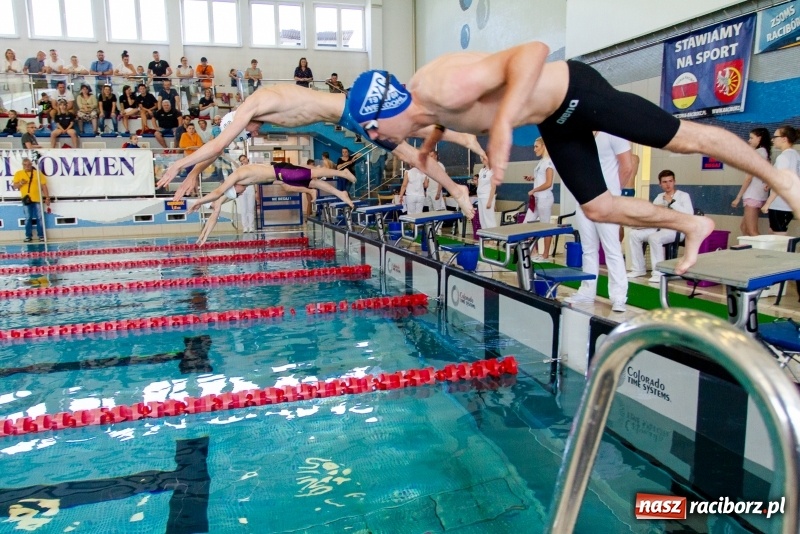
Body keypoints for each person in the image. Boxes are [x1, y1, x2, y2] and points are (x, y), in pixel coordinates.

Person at [347, 43, 800, 274]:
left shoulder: (443, 84)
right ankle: (692, 225)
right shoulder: (424, 107)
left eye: (374, 133)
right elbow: (445, 119)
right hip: (554, 122)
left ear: (380, 118)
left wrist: (503, 125)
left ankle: (779, 181)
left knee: (681, 140)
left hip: (576, 93)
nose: (381, 142)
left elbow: (533, 51)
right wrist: (428, 147)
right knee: (598, 206)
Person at [155, 85, 480, 218]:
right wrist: (195, 172)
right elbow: (217, 148)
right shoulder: (258, 111)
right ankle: (459, 169)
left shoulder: (254, 104)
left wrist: (180, 164)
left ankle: (459, 161)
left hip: (352, 109)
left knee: (409, 146)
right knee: (408, 147)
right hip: (348, 115)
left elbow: (218, 143)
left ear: (241, 120)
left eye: (246, 131)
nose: (252, 134)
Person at [189, 162, 357, 245]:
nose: (241, 194)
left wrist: (198, 201)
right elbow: (215, 212)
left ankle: (341, 172)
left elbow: (216, 193)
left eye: (238, 193)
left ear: (234, 187)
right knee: (311, 182)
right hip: (276, 178)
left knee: (312, 174)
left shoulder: (237, 176)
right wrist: (203, 237)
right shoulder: (241, 185)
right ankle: (340, 193)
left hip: (279, 171)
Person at [565, 132, 633, 312]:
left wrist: (613, 194)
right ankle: (587, 291)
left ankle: (619, 297)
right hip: (584, 202)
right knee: (588, 250)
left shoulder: (613, 134)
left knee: (612, 250)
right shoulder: (582, 136)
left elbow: (627, 166)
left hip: (607, 203)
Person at [628, 170, 694, 283]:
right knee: (634, 234)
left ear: (674, 182)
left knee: (654, 238)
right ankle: (638, 269)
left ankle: (658, 273)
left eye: (670, 181)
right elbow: (653, 216)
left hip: (677, 230)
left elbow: (689, 214)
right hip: (660, 227)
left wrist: (672, 202)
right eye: (664, 182)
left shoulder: (683, 196)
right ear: (660, 184)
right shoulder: (659, 196)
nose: (668, 184)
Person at [731, 128, 772, 237]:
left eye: (751, 137)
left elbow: (748, 178)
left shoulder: (757, 154)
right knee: (744, 227)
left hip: (752, 196)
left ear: (759, 138)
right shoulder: (765, 153)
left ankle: (762, 252)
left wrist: (738, 197)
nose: (749, 140)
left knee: (752, 231)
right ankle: (747, 251)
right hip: (760, 195)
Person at [762, 125, 800, 235]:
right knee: (773, 233)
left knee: (779, 237)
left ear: (784, 139)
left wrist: (768, 203)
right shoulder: (796, 156)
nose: (772, 139)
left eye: (775, 137)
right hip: (789, 203)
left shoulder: (783, 157)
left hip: (780, 204)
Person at [522, 137, 555, 260]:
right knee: (526, 225)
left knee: (545, 227)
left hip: (545, 199)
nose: (534, 149)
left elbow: (548, 183)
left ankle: (545, 255)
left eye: (536, 146)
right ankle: (534, 251)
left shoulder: (549, 162)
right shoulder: (541, 162)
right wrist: (532, 178)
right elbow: (541, 179)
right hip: (536, 199)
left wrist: (534, 190)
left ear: (544, 146)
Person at [12, 157, 51, 242]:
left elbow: (44, 186)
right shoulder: (18, 174)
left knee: (40, 218)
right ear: (22, 165)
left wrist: (47, 197)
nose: (27, 166)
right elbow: (15, 186)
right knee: (28, 217)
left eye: (29, 164)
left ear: (31, 165)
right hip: (26, 200)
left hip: (37, 199)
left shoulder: (37, 173)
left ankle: (41, 235)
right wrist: (21, 183)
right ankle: (28, 236)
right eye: (25, 165)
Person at [236, 155, 256, 232]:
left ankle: (251, 226)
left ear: (247, 159)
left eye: (244, 159)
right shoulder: (240, 169)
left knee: (250, 209)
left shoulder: (253, 167)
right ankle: (245, 227)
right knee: (243, 209)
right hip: (242, 189)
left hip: (250, 188)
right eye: (241, 160)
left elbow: (256, 180)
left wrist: (256, 191)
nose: (243, 161)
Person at [476, 161, 497, 229]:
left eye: (483, 158)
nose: (481, 160)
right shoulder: (482, 170)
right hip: (480, 197)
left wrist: (489, 202)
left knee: (489, 219)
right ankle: (485, 237)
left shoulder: (492, 171)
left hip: (487, 197)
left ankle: (494, 238)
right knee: (482, 219)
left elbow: (493, 187)